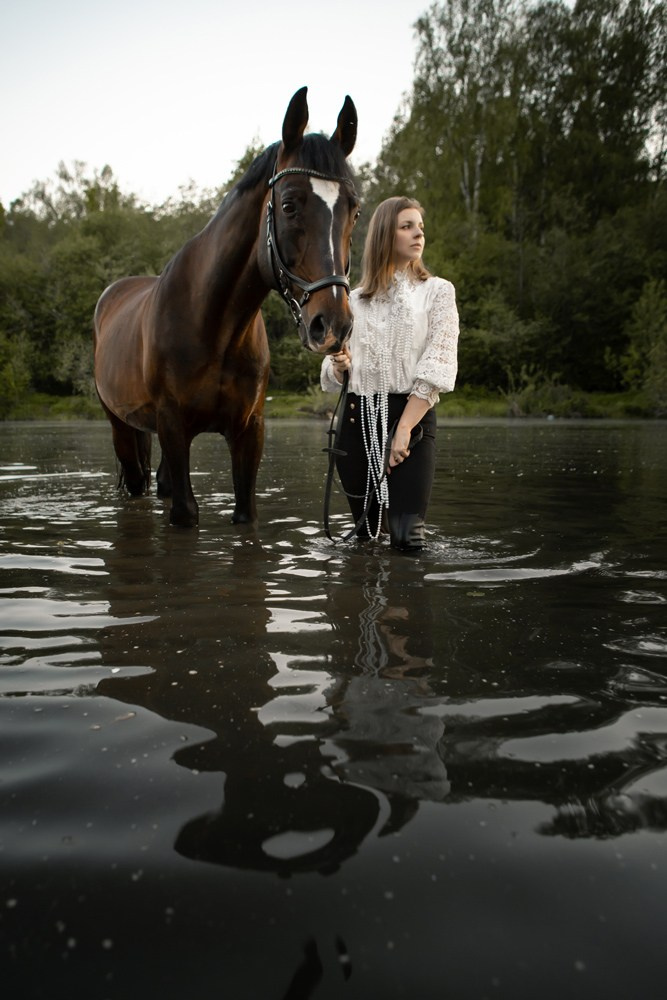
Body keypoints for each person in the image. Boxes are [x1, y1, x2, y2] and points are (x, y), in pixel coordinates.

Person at [320, 196, 459, 552]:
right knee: (365, 541)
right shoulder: (352, 299)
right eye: (407, 226)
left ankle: (405, 603)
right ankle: (367, 605)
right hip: (355, 423)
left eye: (420, 227)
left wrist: (404, 429)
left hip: (412, 421)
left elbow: (437, 366)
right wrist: (339, 365)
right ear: (385, 234)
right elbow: (330, 375)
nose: (418, 235)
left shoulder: (437, 292)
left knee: (407, 539)